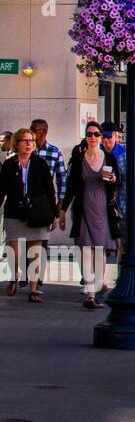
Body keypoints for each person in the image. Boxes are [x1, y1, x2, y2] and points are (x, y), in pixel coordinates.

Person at [65, 122, 121, 309]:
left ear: (101, 137)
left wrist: (112, 180)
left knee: (100, 251)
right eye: (90, 134)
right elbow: (71, 186)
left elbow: (117, 183)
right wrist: (62, 211)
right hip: (83, 208)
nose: (93, 137)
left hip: (103, 209)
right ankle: (90, 294)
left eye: (97, 134)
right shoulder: (79, 158)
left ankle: (96, 288)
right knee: (85, 251)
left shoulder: (110, 158)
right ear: (86, 136)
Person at [1, 128, 59, 302]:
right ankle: (14, 275)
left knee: (35, 252)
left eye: (31, 141)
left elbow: (50, 190)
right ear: (16, 143)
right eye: (25, 140)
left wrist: (55, 214)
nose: (28, 144)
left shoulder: (40, 163)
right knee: (14, 250)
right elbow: (1, 189)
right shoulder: (9, 164)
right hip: (14, 211)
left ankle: (33, 289)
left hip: (37, 212)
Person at [29, 118, 66, 285]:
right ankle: (28, 272)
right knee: (25, 241)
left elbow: (61, 181)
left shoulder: (54, 152)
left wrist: (58, 209)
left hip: (44, 202)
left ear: (43, 132)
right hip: (26, 202)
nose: (31, 131)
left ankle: (37, 278)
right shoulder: (26, 149)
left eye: (34, 129)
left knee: (41, 241)